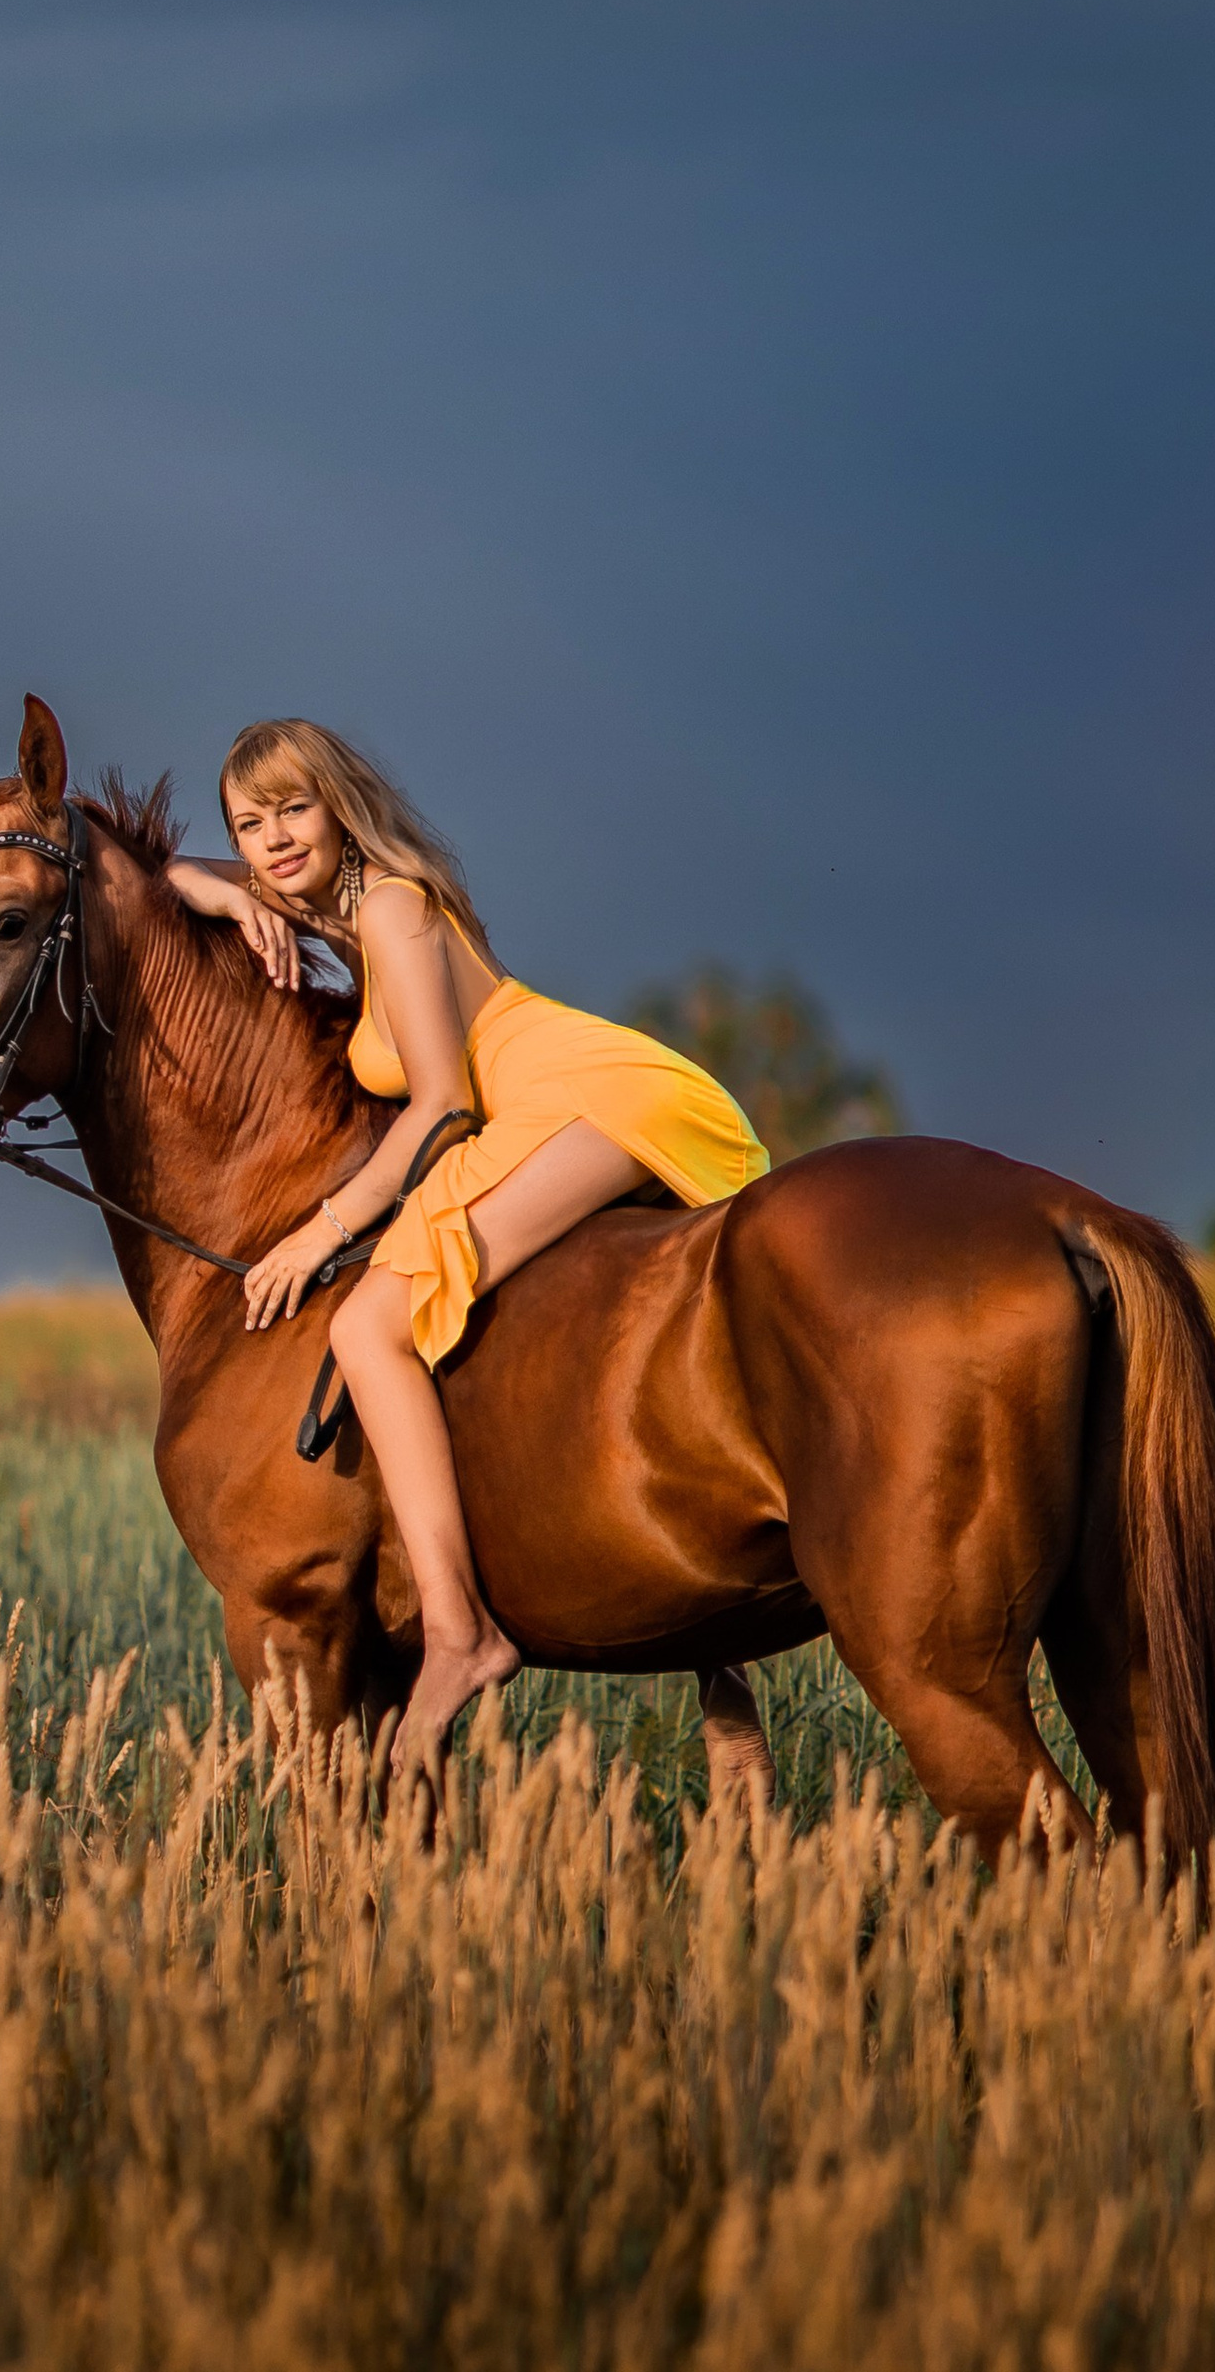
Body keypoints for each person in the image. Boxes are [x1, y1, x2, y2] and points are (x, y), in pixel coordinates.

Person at [164, 719, 768, 1765]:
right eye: (247, 825)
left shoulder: (392, 910)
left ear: (339, 805)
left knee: (371, 1327)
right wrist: (216, 889)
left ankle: (458, 1632)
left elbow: (441, 1103)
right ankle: (721, 1670)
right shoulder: (345, 909)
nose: (270, 841)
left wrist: (322, 1230)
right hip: (556, 1101)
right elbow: (159, 875)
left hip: (585, 1097)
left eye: (290, 810)